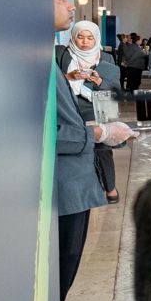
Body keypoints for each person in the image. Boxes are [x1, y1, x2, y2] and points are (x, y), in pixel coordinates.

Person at [51, 0, 132, 301]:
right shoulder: (47, 59)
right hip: (61, 186)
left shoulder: (49, 54)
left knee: (61, 282)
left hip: (73, 183)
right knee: (54, 285)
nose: (70, 5)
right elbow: (43, 131)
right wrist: (100, 132)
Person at [60, 20, 124, 202]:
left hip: (98, 108)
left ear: (96, 39)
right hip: (70, 108)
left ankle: (110, 187)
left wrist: (99, 82)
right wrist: (68, 77)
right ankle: (83, 188)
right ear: (73, 37)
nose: (85, 41)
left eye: (89, 37)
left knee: (103, 149)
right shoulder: (63, 55)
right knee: (77, 149)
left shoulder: (106, 58)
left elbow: (115, 89)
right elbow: (54, 80)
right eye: (80, 37)